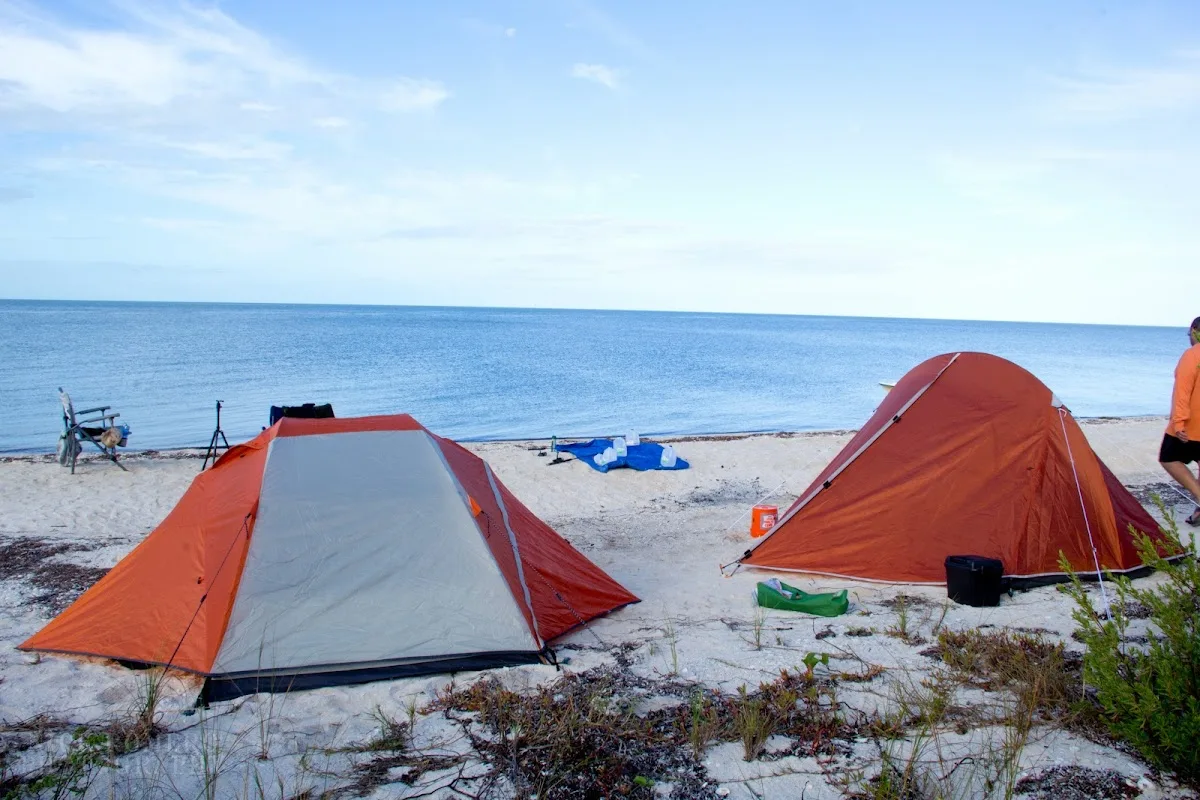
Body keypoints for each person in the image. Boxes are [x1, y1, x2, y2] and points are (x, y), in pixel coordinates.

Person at [1159, 316, 1200, 525]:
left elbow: (1183, 391)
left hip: (1193, 427)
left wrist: (1179, 422)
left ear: (1194, 330)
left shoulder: (1193, 355)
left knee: (1168, 457)